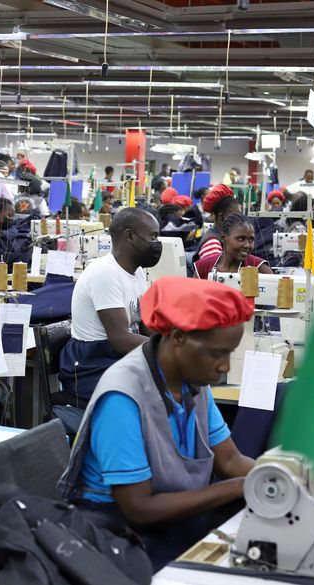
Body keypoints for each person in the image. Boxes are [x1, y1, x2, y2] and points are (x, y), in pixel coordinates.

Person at [59, 277, 256, 570]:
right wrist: (242, 486)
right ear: (178, 337)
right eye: (217, 354)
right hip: (118, 532)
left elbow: (230, 459)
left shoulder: (194, 383)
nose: (225, 366)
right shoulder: (123, 396)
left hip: (171, 515)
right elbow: (138, 508)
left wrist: (283, 476)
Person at [59, 208, 160, 402]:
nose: (156, 244)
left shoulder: (136, 272)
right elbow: (120, 338)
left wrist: (171, 341)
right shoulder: (105, 272)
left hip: (114, 358)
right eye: (153, 237)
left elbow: (145, 324)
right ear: (129, 236)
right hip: (90, 365)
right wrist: (168, 349)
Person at [194, 214, 273, 280]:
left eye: (251, 240)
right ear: (223, 238)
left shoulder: (260, 268)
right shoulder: (203, 268)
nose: (247, 245)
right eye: (241, 239)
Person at [197, 184, 240, 260]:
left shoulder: (224, 237)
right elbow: (218, 271)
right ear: (221, 217)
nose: (239, 219)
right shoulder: (212, 243)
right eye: (235, 216)